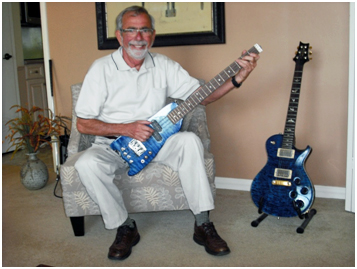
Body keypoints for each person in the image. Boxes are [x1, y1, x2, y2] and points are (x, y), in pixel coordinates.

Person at [74, 5, 260, 260]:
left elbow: (201, 97)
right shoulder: (100, 69)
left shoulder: (163, 65)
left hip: (157, 141)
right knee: (86, 164)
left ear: (152, 35)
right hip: (111, 145)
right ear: (119, 36)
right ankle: (125, 226)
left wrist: (238, 78)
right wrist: (125, 128)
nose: (139, 37)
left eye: (145, 30)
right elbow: (83, 123)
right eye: (131, 30)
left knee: (189, 141)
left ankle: (202, 223)